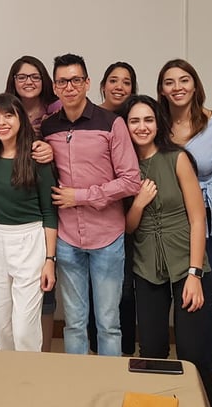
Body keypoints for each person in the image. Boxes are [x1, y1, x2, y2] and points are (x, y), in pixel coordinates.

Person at [40, 53, 141, 356]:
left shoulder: (112, 124)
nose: (69, 87)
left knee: (108, 322)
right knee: (73, 322)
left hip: (107, 237)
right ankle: (78, 389)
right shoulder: (48, 128)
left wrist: (80, 196)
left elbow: (131, 181)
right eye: (62, 81)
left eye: (75, 80)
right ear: (55, 88)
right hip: (67, 238)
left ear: (86, 83)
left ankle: (107, 389)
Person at [122, 95, 212, 406]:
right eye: (134, 120)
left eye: (148, 119)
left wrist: (195, 273)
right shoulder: (124, 165)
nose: (141, 126)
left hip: (186, 263)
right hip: (146, 264)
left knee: (192, 350)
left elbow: (198, 218)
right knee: (151, 349)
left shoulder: (177, 158)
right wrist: (138, 203)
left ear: (158, 122)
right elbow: (128, 227)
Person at [157, 58, 212, 375]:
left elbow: (192, 164)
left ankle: (205, 374)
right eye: (170, 82)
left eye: (184, 80)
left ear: (195, 84)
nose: (178, 87)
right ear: (161, 89)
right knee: (169, 296)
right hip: (169, 218)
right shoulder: (156, 124)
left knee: (208, 297)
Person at [0, 93, 57, 352]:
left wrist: (50, 261)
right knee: (1, 324)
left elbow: (49, 212)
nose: (2, 122)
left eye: (9, 115)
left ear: (21, 119)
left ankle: (29, 382)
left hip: (30, 241)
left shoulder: (37, 156)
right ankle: (8, 381)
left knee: (24, 328)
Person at [4, 55, 61, 350]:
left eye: (35, 76)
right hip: (12, 211)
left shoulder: (56, 114)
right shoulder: (2, 113)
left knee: (43, 285)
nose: (28, 82)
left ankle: (44, 352)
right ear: (13, 81)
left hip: (49, 202)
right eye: (22, 77)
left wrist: (51, 151)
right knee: (11, 290)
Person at [91, 59, 140, 356]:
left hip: (132, 207)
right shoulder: (90, 117)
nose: (119, 86)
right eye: (113, 80)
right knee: (92, 286)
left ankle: (123, 349)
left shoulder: (138, 118)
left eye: (126, 82)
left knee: (123, 284)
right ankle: (97, 347)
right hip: (93, 211)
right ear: (102, 85)